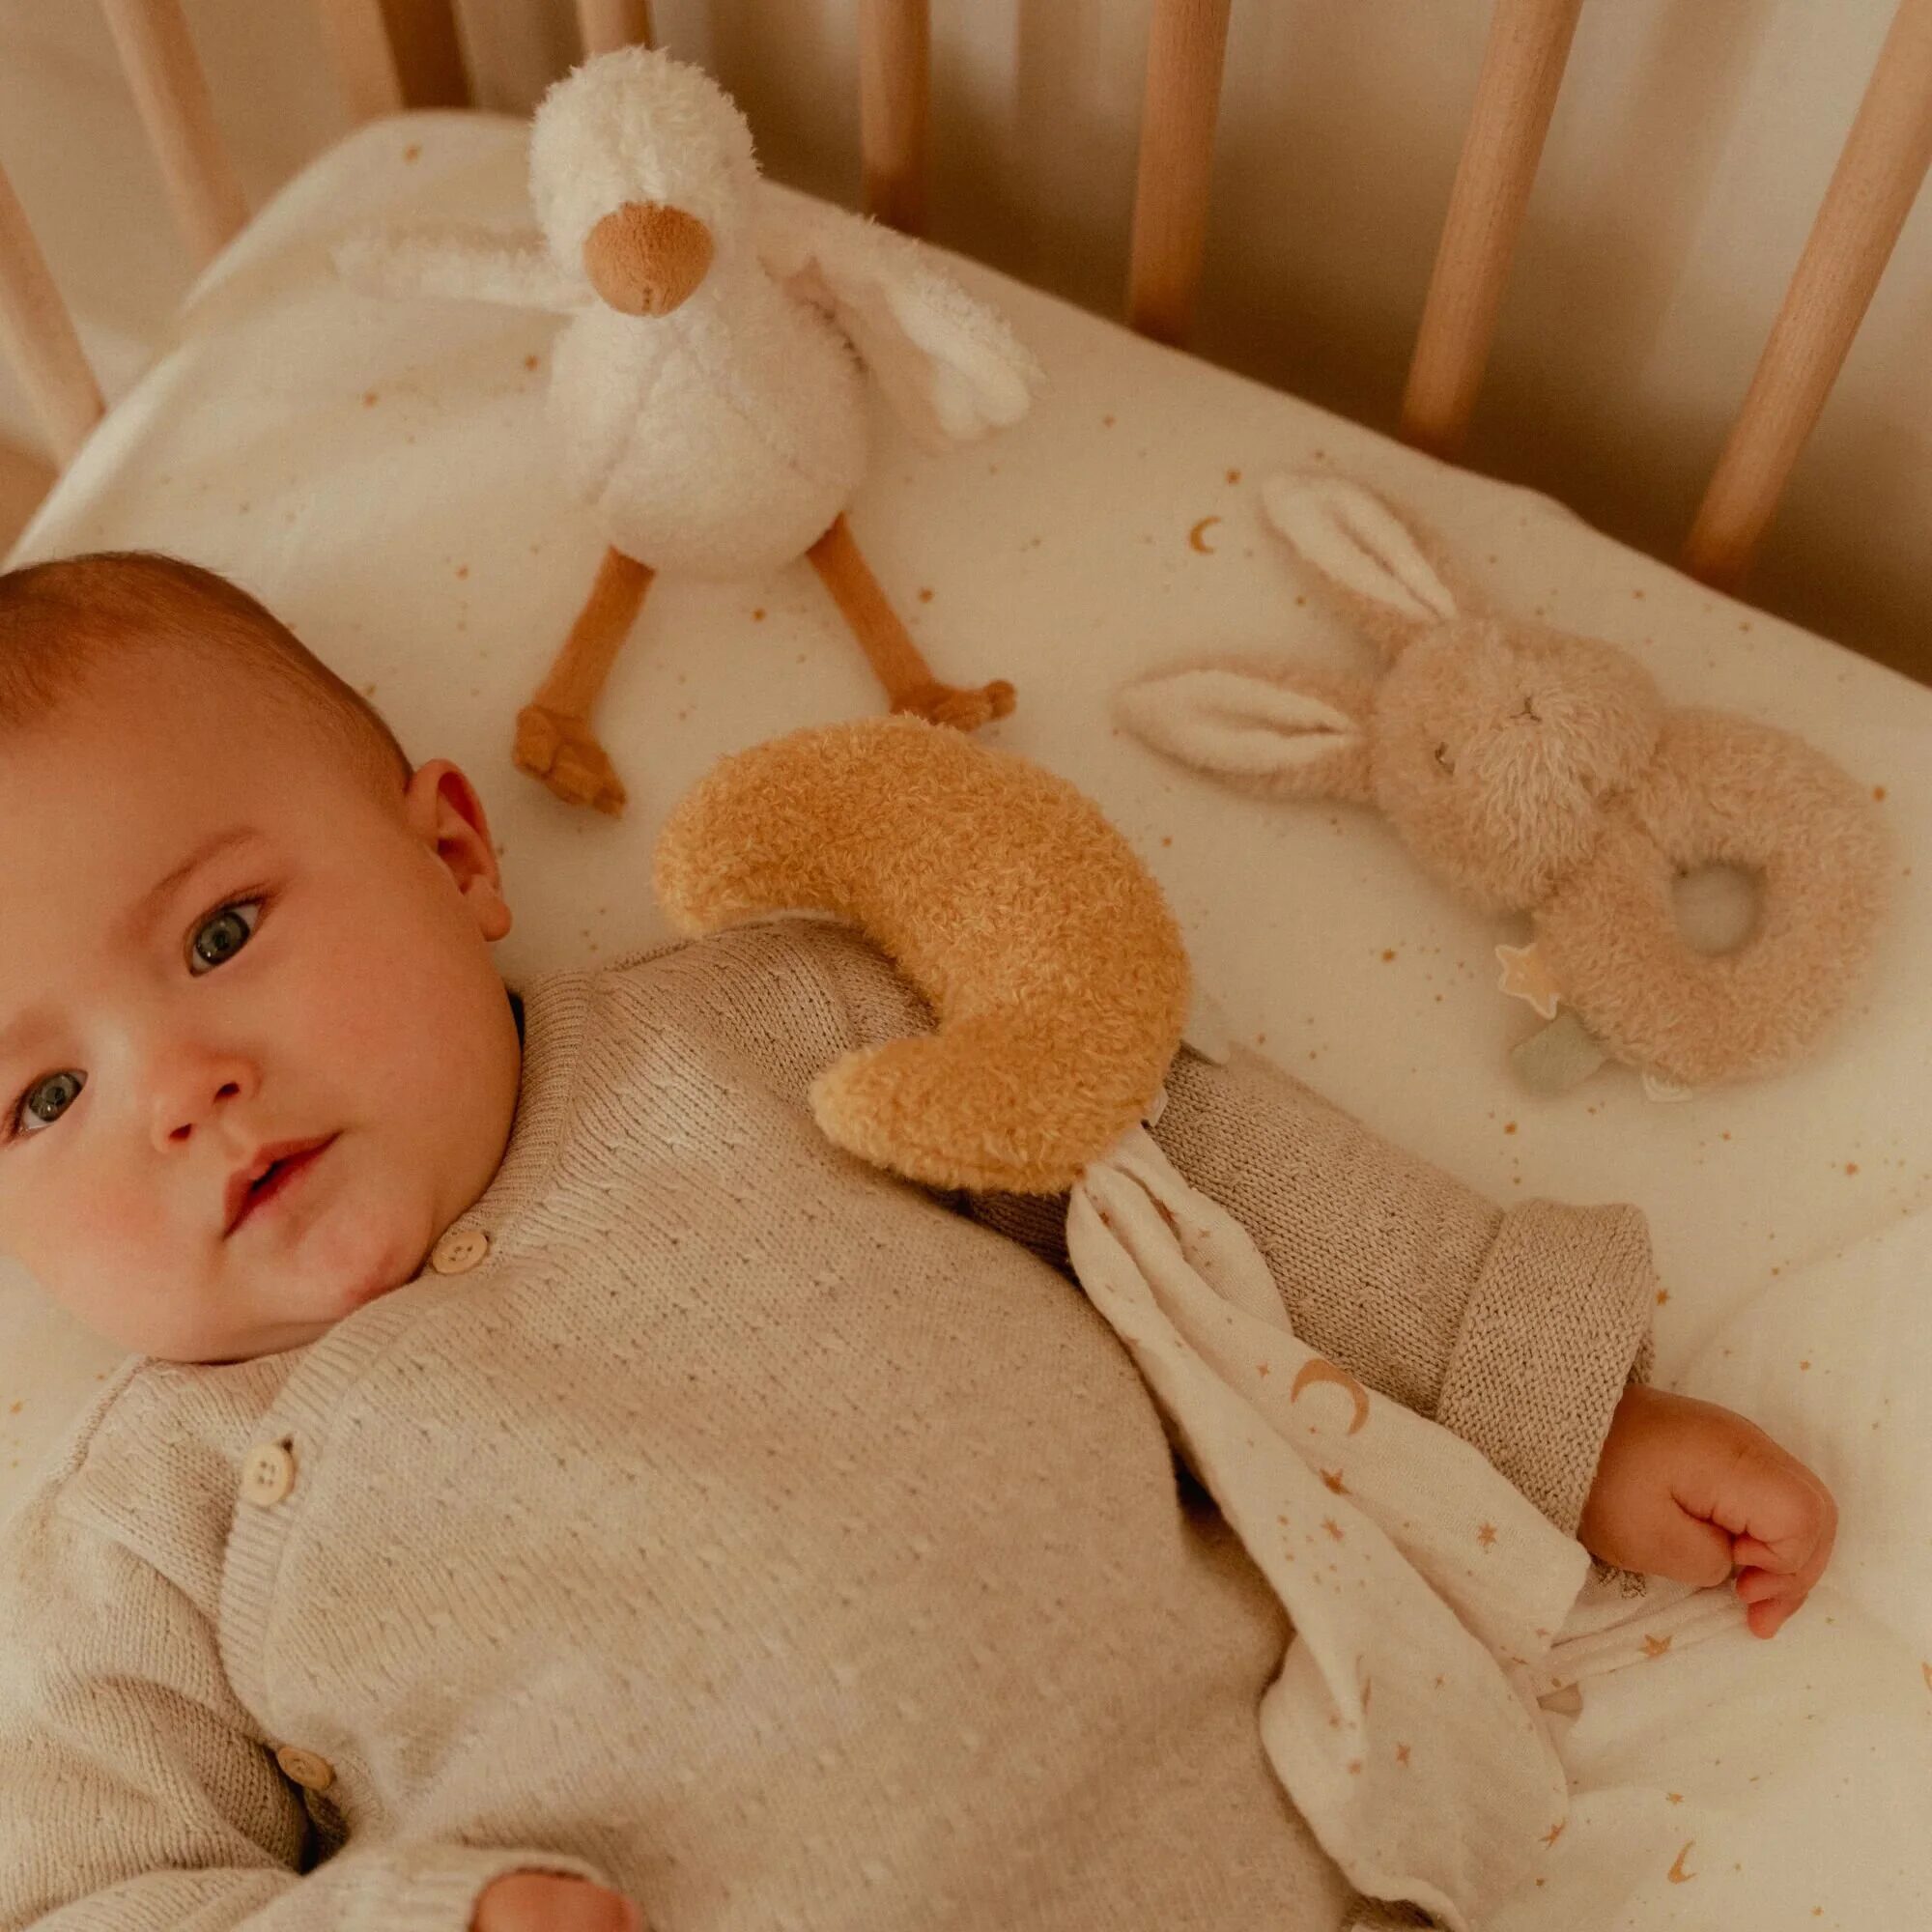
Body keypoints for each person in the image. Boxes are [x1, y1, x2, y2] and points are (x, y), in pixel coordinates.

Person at [0, 554, 1835, 1932]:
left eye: (223, 935)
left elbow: (1202, 1181)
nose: (181, 1091)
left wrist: (1563, 1413)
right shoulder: (148, 1520)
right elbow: (85, 1893)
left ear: (457, 857)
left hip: (1256, 1851)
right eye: (42, 1097)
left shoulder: (776, 1029)